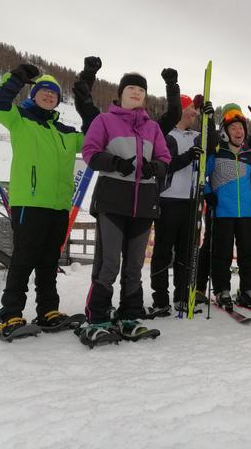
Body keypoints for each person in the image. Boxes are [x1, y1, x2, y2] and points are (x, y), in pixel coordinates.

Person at [0, 63, 86, 338]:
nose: (49, 96)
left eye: (54, 93)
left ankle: (48, 311)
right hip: (29, 203)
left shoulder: (66, 132)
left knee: (48, 260)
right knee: (24, 258)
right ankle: (11, 315)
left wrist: (87, 101)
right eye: (44, 91)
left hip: (58, 205)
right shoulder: (19, 118)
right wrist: (17, 77)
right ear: (34, 95)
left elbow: (93, 139)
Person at [79, 72, 171, 345]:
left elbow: (165, 156)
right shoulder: (104, 120)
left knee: (133, 266)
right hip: (112, 201)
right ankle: (97, 318)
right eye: (131, 88)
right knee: (108, 264)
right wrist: (115, 163)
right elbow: (90, 151)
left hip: (143, 203)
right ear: (120, 94)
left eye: (141, 90)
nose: (136, 93)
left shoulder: (152, 127)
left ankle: (129, 315)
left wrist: (157, 167)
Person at [147, 93, 217, 317]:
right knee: (163, 251)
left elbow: (213, 144)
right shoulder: (167, 135)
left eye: (197, 111)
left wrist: (210, 119)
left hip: (192, 200)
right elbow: (164, 165)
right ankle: (160, 299)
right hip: (169, 199)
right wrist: (188, 156)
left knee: (187, 252)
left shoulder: (198, 135)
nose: (195, 113)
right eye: (192, 109)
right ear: (181, 110)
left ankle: (182, 296)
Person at [205, 103, 251, 311]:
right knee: (223, 252)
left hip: (246, 212)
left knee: (247, 251)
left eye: (241, 128)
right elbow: (202, 175)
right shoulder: (217, 153)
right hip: (223, 211)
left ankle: (248, 289)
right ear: (226, 132)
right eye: (233, 128)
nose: (238, 131)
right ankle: (222, 289)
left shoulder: (249, 155)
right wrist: (208, 194)